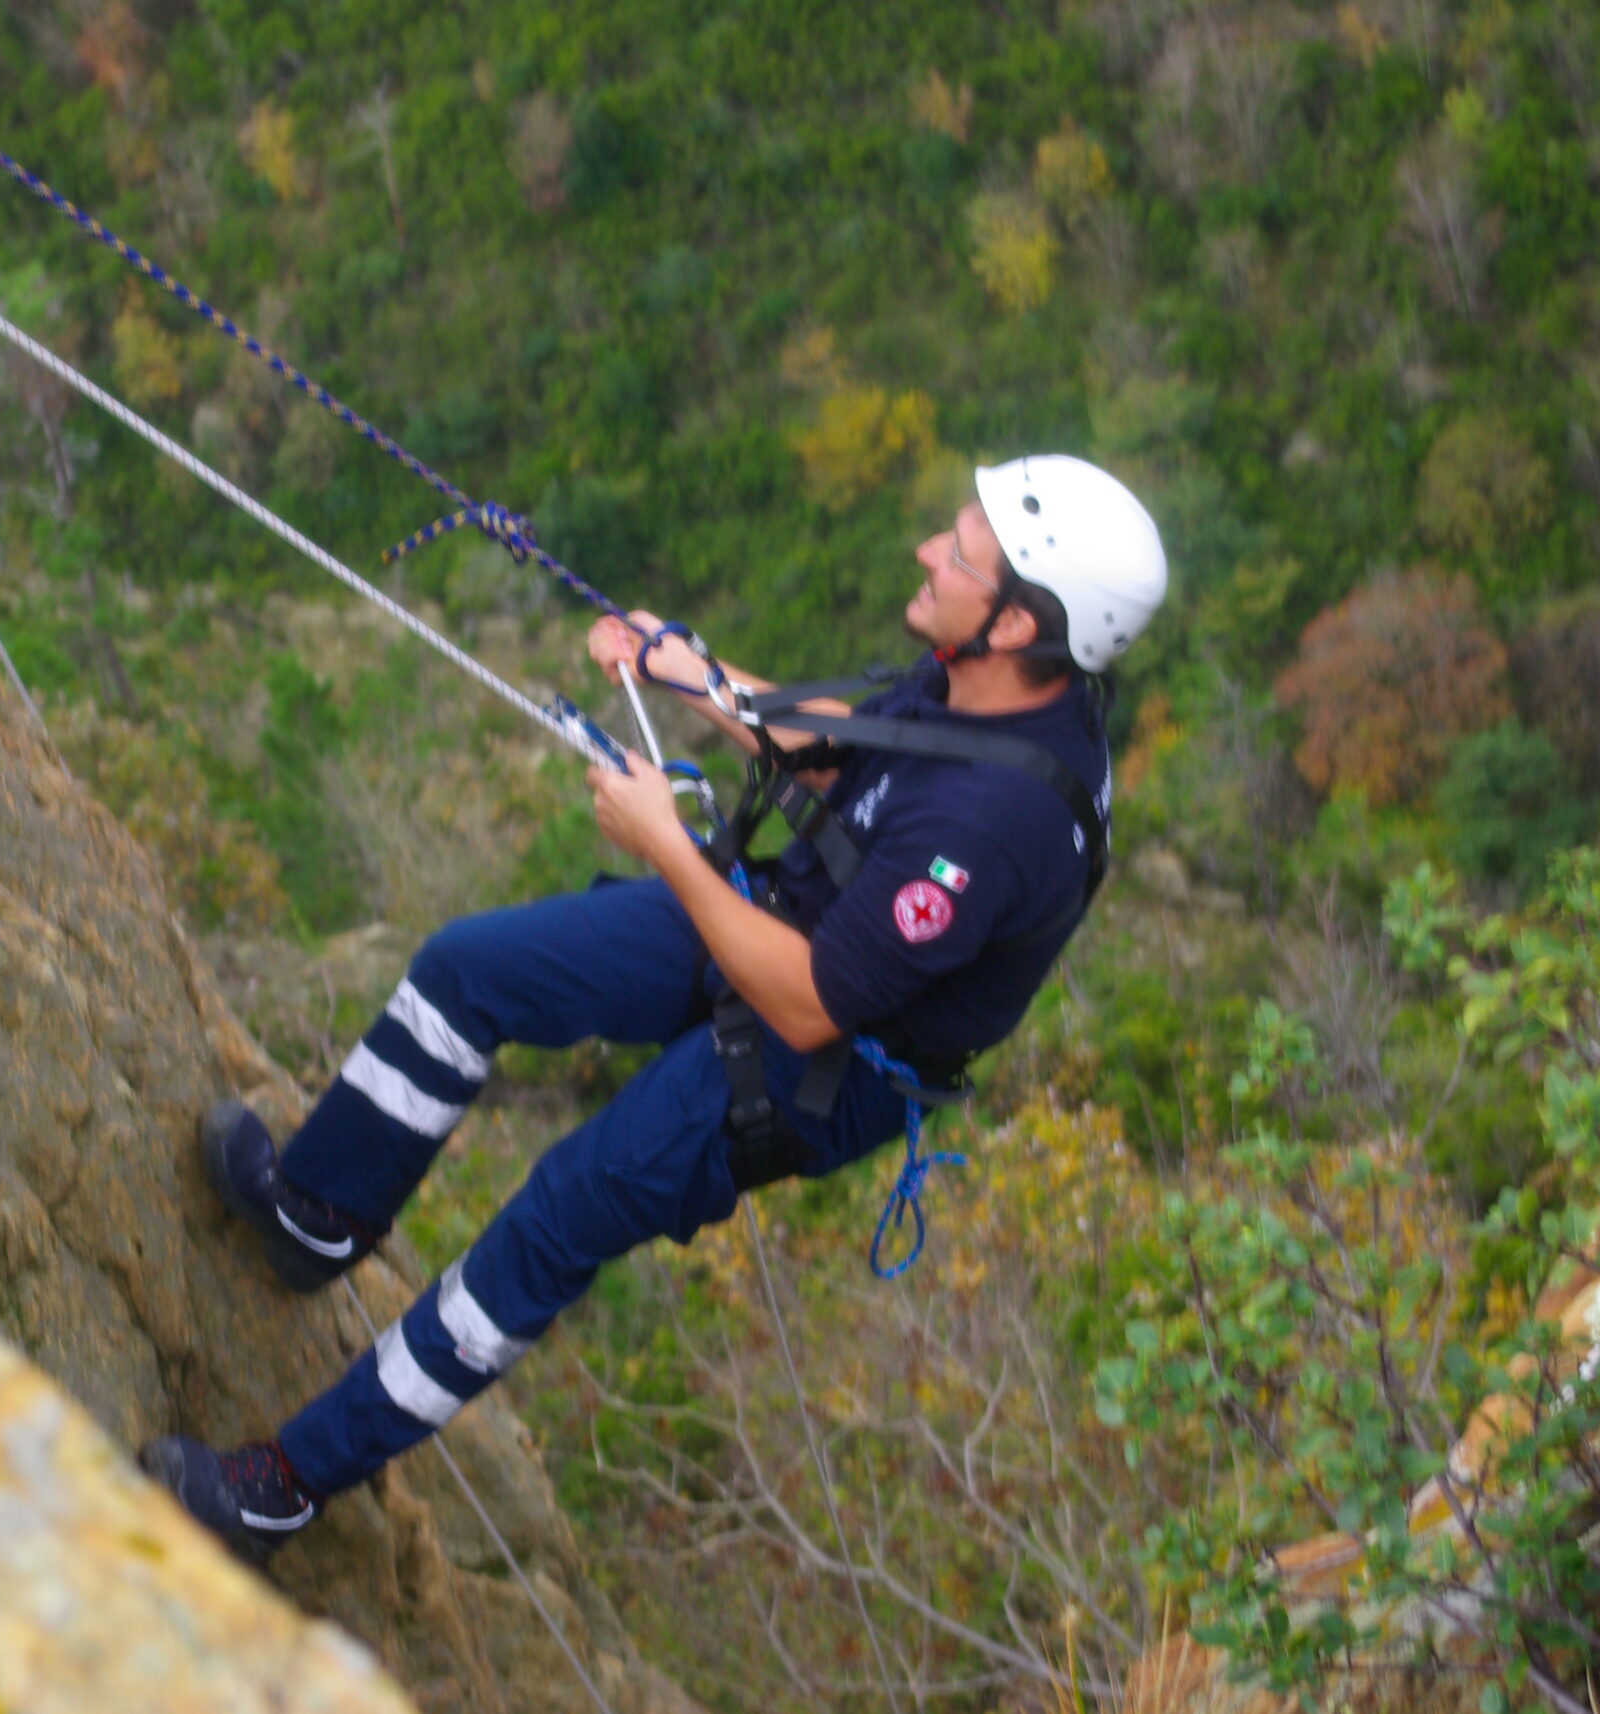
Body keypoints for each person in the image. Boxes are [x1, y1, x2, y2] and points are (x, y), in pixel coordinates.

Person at [142, 456, 1166, 1562]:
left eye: (959, 555)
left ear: (1017, 623)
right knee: (465, 970)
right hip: (789, 920)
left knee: (552, 1219)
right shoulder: (994, 684)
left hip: (818, 1057)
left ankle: (281, 1490)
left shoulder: (1000, 822)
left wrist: (665, 844)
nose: (928, 551)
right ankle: (317, 1213)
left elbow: (813, 1004)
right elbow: (864, 751)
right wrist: (691, 675)